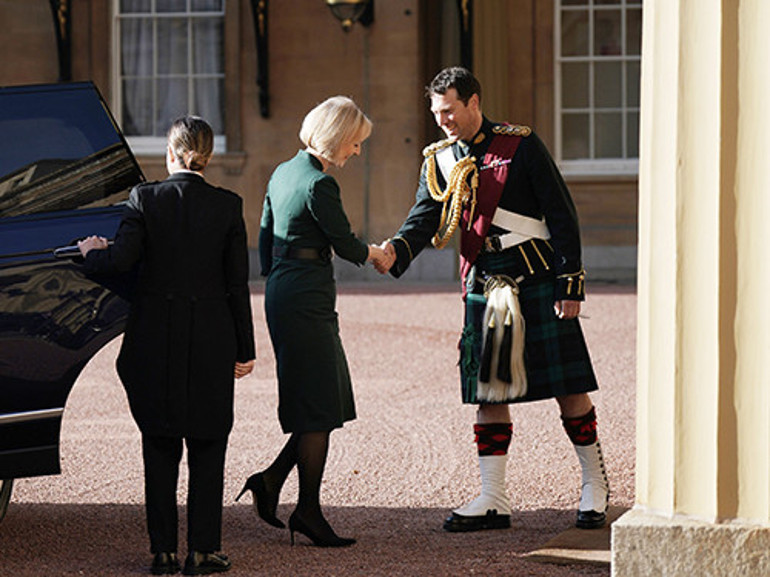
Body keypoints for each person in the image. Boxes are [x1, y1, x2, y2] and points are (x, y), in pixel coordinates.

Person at [374, 67, 609, 532]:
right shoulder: (439, 159)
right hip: (485, 280)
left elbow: (561, 214)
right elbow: (424, 219)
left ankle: (594, 483)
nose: (443, 121)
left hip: (536, 274)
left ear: (474, 103)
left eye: (450, 110)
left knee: (568, 386)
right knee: (489, 390)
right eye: (437, 112)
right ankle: (494, 497)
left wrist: (571, 284)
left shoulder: (519, 144)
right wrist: (393, 251)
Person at [78, 115, 255, 575]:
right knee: (208, 443)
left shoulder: (144, 198)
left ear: (169, 153)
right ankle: (202, 551)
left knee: (158, 445)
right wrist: (245, 348)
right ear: (208, 156)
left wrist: (90, 253)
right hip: (212, 339)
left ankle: (162, 553)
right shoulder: (228, 205)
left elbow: (120, 260)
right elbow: (238, 284)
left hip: (154, 337)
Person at [236, 96, 386, 547]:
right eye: (356, 143)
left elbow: (264, 236)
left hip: (285, 289)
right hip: (306, 297)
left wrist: (281, 274)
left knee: (320, 399)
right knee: (319, 404)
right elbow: (344, 243)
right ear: (339, 138)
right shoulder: (320, 184)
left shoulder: (283, 171)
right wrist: (377, 254)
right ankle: (307, 511)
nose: (357, 152)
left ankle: (271, 481)